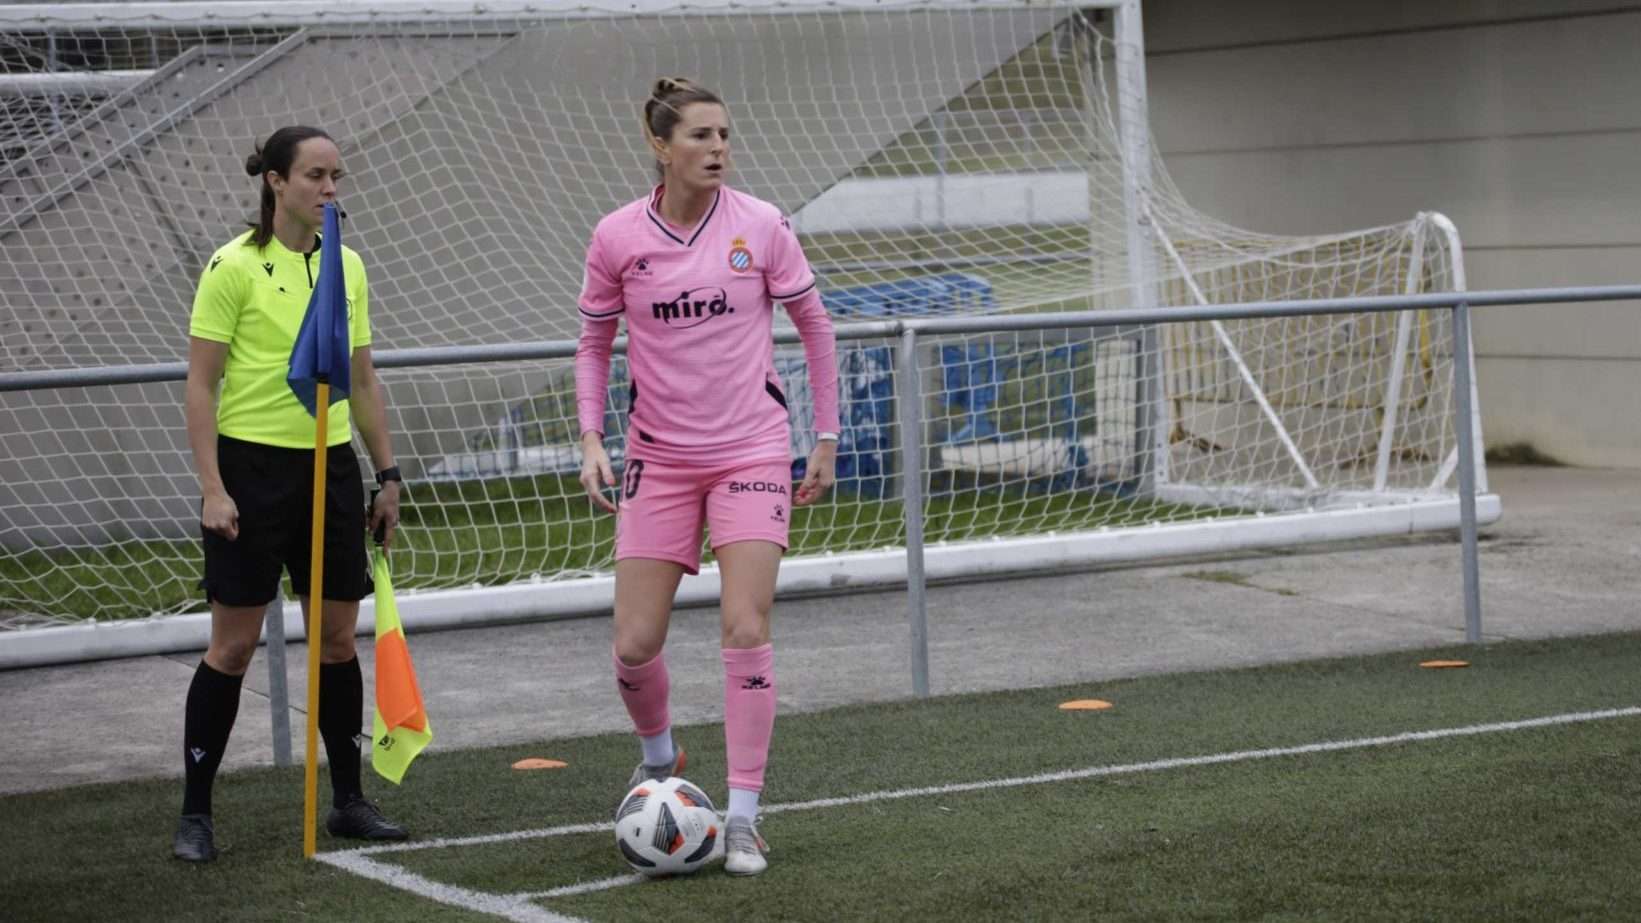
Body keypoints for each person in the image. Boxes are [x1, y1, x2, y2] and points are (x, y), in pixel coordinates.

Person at [576, 77, 841, 877]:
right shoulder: (617, 236)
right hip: (658, 457)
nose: (717, 147)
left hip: (751, 452)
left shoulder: (761, 226)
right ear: (661, 146)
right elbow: (592, 344)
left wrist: (822, 437)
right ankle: (659, 756)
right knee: (633, 644)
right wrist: (591, 437)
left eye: (724, 133)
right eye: (699, 135)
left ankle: (745, 817)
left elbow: (815, 328)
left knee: (745, 626)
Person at [174, 126, 408, 862]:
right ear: (276, 181)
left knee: (336, 640)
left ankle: (347, 801)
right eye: (315, 174)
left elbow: (362, 378)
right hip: (250, 473)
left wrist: (387, 472)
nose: (330, 188)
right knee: (234, 646)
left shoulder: (348, 266)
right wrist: (213, 488)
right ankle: (195, 814)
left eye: (336, 175)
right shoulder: (231, 267)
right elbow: (201, 386)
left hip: (330, 467)